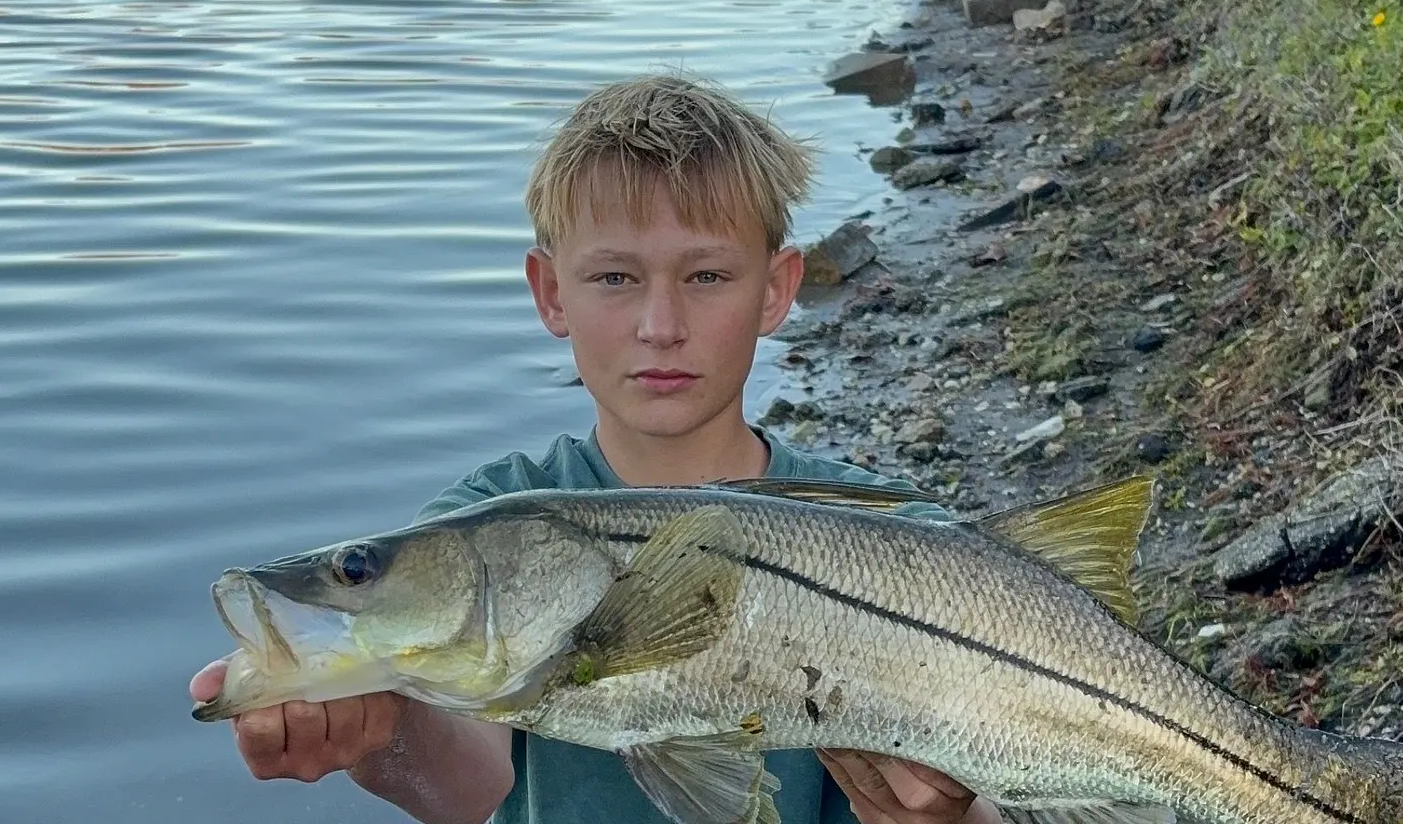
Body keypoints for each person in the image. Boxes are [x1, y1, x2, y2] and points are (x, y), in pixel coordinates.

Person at [191, 73, 997, 824]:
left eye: (708, 276)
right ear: (551, 293)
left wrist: (951, 817)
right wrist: (378, 738)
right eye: (614, 278)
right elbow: (469, 783)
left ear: (777, 289)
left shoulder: (904, 541)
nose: (661, 326)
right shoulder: (483, 517)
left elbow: (1017, 776)